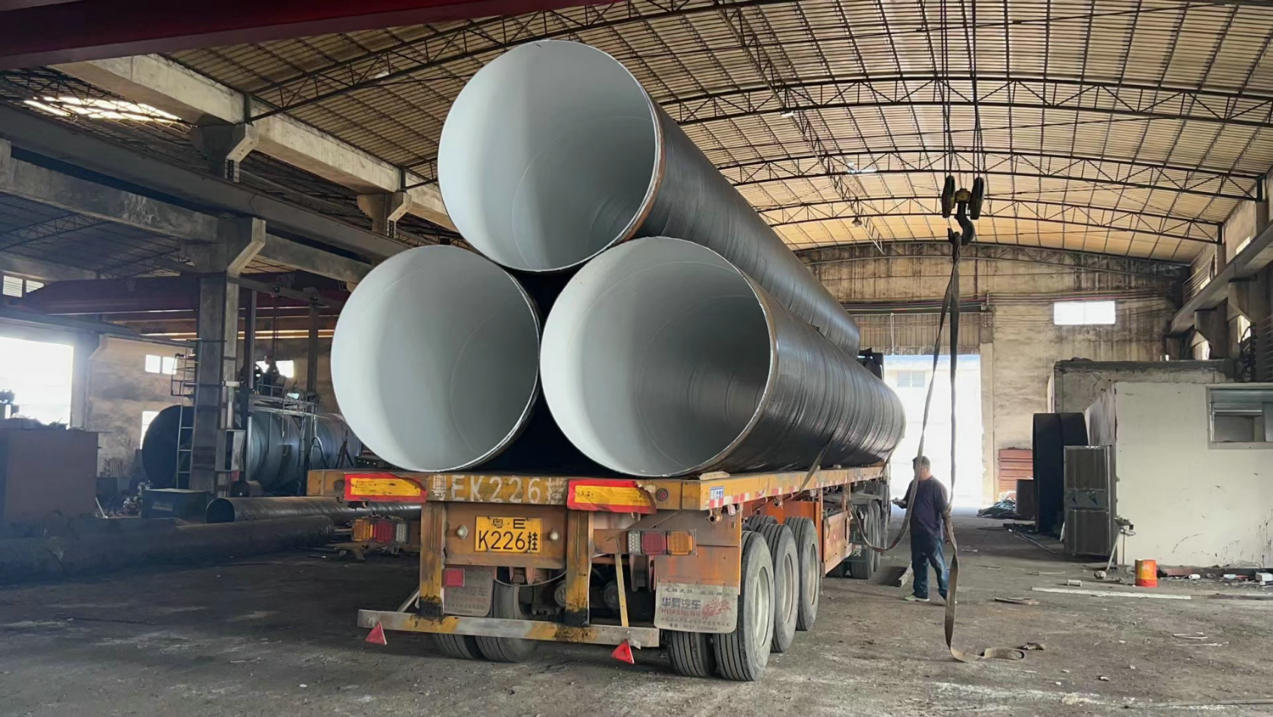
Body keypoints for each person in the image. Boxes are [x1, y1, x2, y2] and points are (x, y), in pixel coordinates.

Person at [893, 455, 950, 604]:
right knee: (918, 564)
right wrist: (900, 502)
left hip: (932, 534)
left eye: (916, 469)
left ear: (924, 468)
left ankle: (948, 595)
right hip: (917, 532)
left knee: (939, 565)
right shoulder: (913, 484)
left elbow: (945, 512)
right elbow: (908, 502)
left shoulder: (937, 487)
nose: (914, 472)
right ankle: (921, 593)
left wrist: (949, 533)